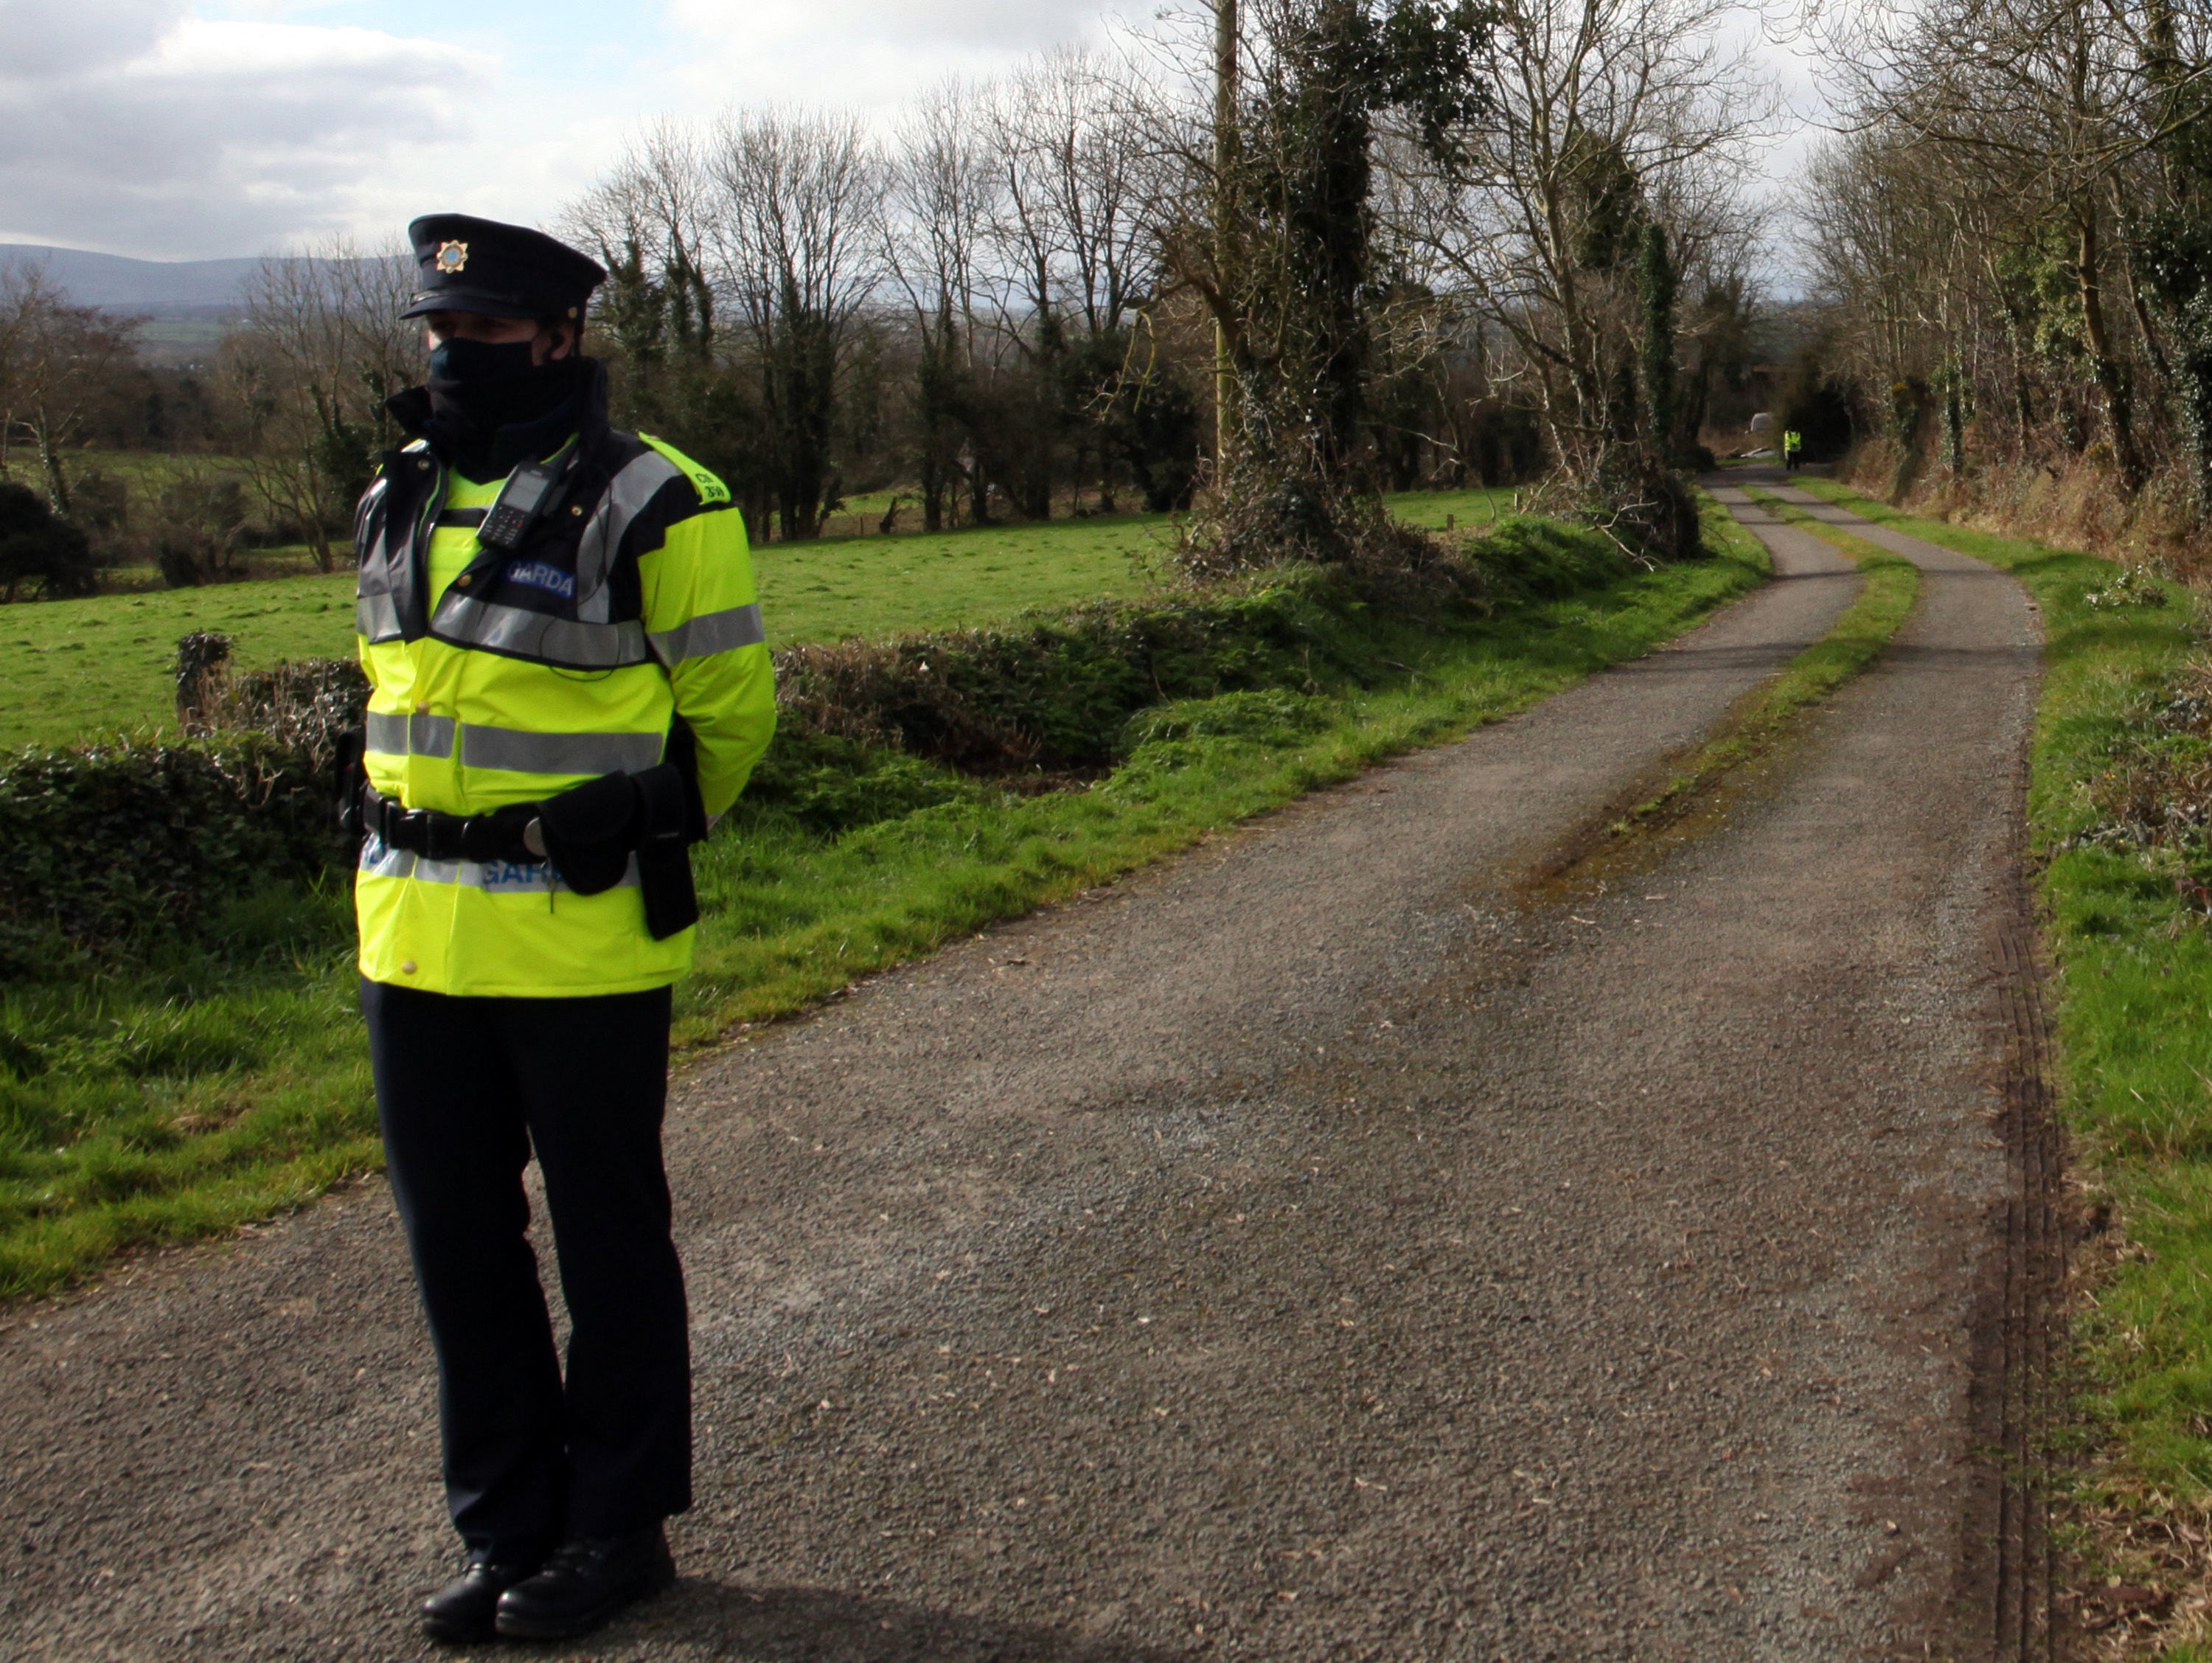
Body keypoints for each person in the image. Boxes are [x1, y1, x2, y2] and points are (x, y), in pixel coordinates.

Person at [347, 213, 776, 1643]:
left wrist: (627, 823)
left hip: (579, 939)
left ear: (558, 338)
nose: (453, 352)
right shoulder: (389, 498)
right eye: (438, 330)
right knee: (457, 1251)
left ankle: (617, 1527)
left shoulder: (661, 500)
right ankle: (509, 1525)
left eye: (481, 332)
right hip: (410, 946)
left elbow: (730, 719)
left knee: (608, 1243)